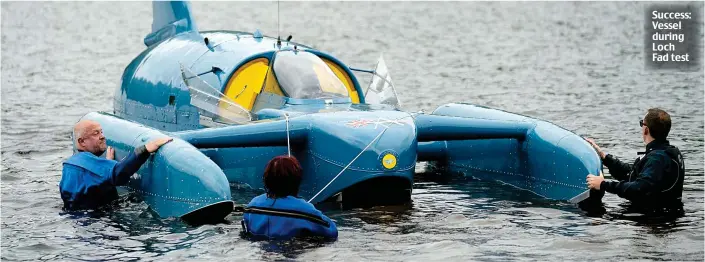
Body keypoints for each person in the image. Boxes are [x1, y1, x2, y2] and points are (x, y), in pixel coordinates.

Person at [60, 120, 172, 210]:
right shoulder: (89, 165)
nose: (102, 136)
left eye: (101, 132)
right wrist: (145, 149)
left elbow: (91, 179)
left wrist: (108, 163)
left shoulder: (70, 164)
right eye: (96, 133)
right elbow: (119, 174)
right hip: (96, 223)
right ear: (82, 142)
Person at [586, 108, 685, 210]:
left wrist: (603, 185)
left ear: (646, 130)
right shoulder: (666, 153)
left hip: (654, 219)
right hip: (663, 214)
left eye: (642, 123)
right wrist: (605, 158)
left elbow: (638, 189)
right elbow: (632, 175)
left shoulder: (657, 159)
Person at [242, 155, 338, 240]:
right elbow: (332, 232)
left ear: (267, 180)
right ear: (296, 181)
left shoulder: (252, 205)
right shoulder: (306, 210)